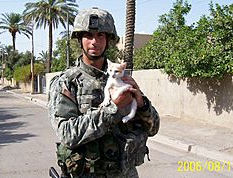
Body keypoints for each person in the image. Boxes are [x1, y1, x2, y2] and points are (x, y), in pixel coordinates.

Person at [48, 7, 160, 178]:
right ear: (80, 39)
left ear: (108, 39)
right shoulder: (66, 82)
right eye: (88, 35)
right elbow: (67, 134)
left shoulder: (123, 80)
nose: (94, 41)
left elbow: (153, 129)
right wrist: (113, 108)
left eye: (100, 35)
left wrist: (142, 103)